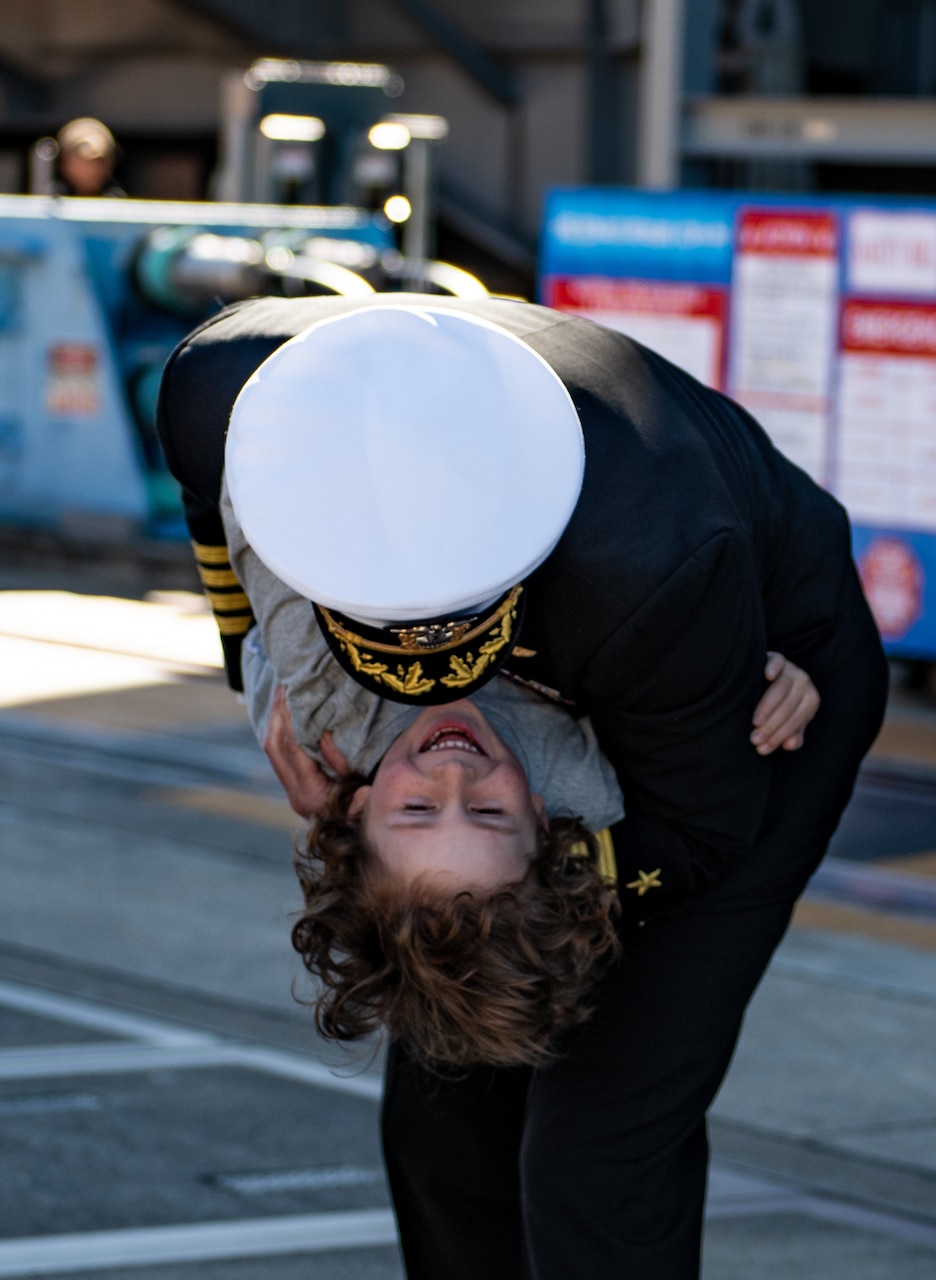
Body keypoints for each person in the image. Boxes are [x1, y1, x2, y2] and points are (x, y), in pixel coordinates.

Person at [156, 296, 887, 1280]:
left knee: (594, 1150)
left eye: (428, 802)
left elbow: (704, 835)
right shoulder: (226, 391)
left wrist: (767, 672)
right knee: (448, 1099)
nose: (451, 758)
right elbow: (216, 508)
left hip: (736, 713)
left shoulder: (647, 566)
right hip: (547, 755)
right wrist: (253, 663)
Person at [52, 118, 125, 198]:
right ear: (64, 162)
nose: (92, 169)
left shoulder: (116, 203)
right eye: (82, 162)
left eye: (99, 162)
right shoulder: (48, 202)